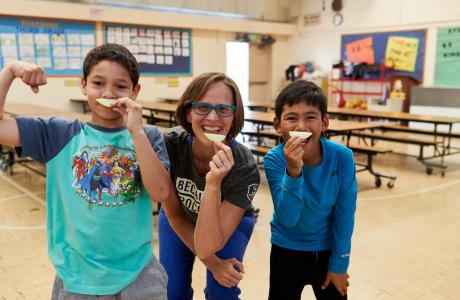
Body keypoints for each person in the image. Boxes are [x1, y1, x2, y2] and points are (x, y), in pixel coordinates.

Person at [0, 44, 170, 299]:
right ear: (83, 85)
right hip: (78, 279)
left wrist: (136, 132)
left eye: (121, 86)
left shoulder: (149, 136)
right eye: (98, 83)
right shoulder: (57, 134)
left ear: (135, 92)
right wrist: (10, 71)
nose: (109, 93)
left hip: (140, 276)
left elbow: (160, 193)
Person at [154, 72, 260, 299]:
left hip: (229, 224)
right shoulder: (169, 145)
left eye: (223, 109)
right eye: (202, 107)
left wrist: (213, 184)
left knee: (222, 292)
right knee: (172, 292)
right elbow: (174, 213)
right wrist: (213, 264)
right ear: (188, 112)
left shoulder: (244, 165)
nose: (213, 118)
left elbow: (208, 244)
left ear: (235, 116)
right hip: (179, 214)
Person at [264, 80, 357, 300]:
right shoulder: (274, 160)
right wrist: (293, 172)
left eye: (311, 117)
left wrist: (339, 264)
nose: (301, 127)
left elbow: (345, 215)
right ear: (278, 125)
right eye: (291, 118)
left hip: (327, 252)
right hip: (285, 250)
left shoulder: (342, 157)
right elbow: (288, 218)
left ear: (324, 122)